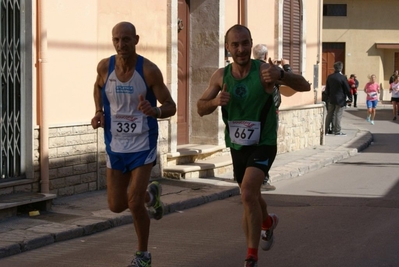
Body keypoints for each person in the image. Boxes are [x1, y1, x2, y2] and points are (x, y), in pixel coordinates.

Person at [197, 24, 310, 267]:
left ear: (251, 43)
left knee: (247, 192)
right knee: (252, 195)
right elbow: (200, 108)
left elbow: (305, 85)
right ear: (227, 48)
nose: (241, 49)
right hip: (238, 145)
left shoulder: (265, 71)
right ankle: (267, 222)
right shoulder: (220, 76)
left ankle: (251, 256)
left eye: (245, 43)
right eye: (235, 44)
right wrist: (216, 101)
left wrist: (282, 75)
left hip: (264, 142)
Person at [90, 21, 176, 267]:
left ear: (136, 40)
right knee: (116, 205)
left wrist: (155, 111)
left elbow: (171, 105)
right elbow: (97, 87)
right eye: (116, 39)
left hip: (142, 144)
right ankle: (152, 195)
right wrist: (98, 111)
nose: (121, 44)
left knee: (134, 203)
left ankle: (143, 256)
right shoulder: (105, 67)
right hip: (115, 144)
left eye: (126, 39)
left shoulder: (148, 70)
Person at [252, 43, 292, 192]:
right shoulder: (271, 71)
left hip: (251, 113)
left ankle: (243, 174)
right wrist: (285, 67)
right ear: (267, 56)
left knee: (249, 144)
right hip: (269, 114)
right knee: (266, 145)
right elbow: (291, 81)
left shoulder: (249, 69)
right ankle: (263, 178)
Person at [324, 61, 352, 136]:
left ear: (334, 68)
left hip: (331, 98)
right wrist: (350, 98)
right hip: (340, 99)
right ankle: (337, 131)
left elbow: (327, 89)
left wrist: (327, 96)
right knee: (338, 114)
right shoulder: (343, 77)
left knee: (329, 114)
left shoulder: (330, 77)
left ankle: (325, 130)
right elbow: (347, 88)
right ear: (341, 68)